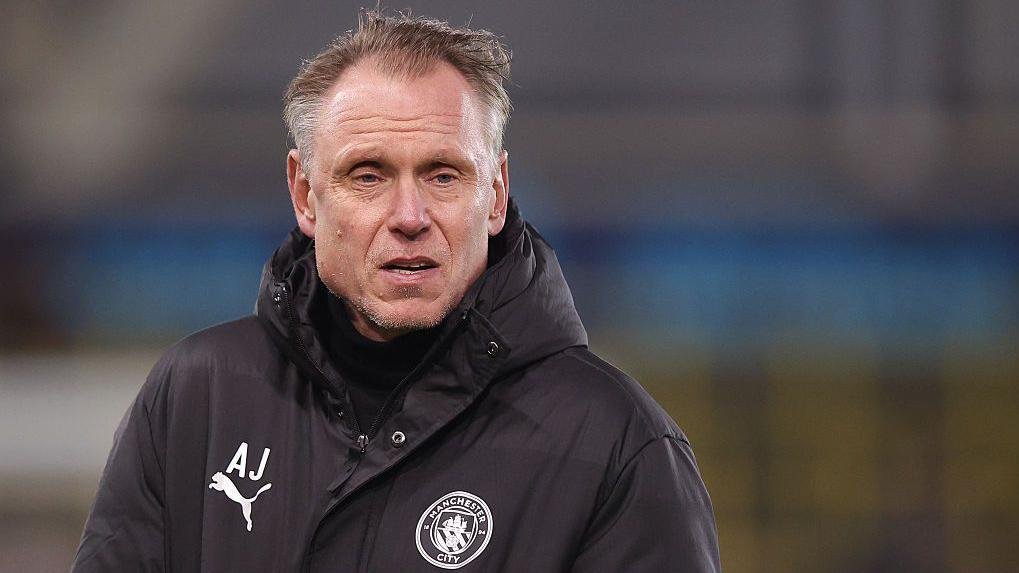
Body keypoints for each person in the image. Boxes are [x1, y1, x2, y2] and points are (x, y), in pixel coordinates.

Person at [72, 10, 721, 572]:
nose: (410, 216)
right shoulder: (195, 396)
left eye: (442, 175)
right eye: (368, 175)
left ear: (495, 195)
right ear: (305, 194)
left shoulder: (616, 443)